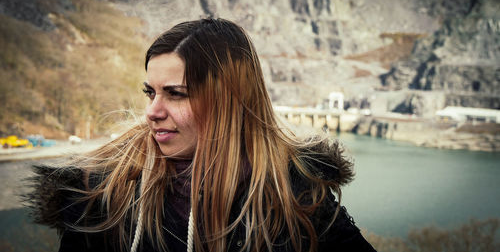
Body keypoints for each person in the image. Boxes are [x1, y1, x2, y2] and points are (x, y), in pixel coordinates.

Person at [27, 18, 376, 252]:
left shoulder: (298, 195)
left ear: (229, 101)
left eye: (176, 94)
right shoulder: (103, 194)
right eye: (151, 92)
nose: (153, 111)